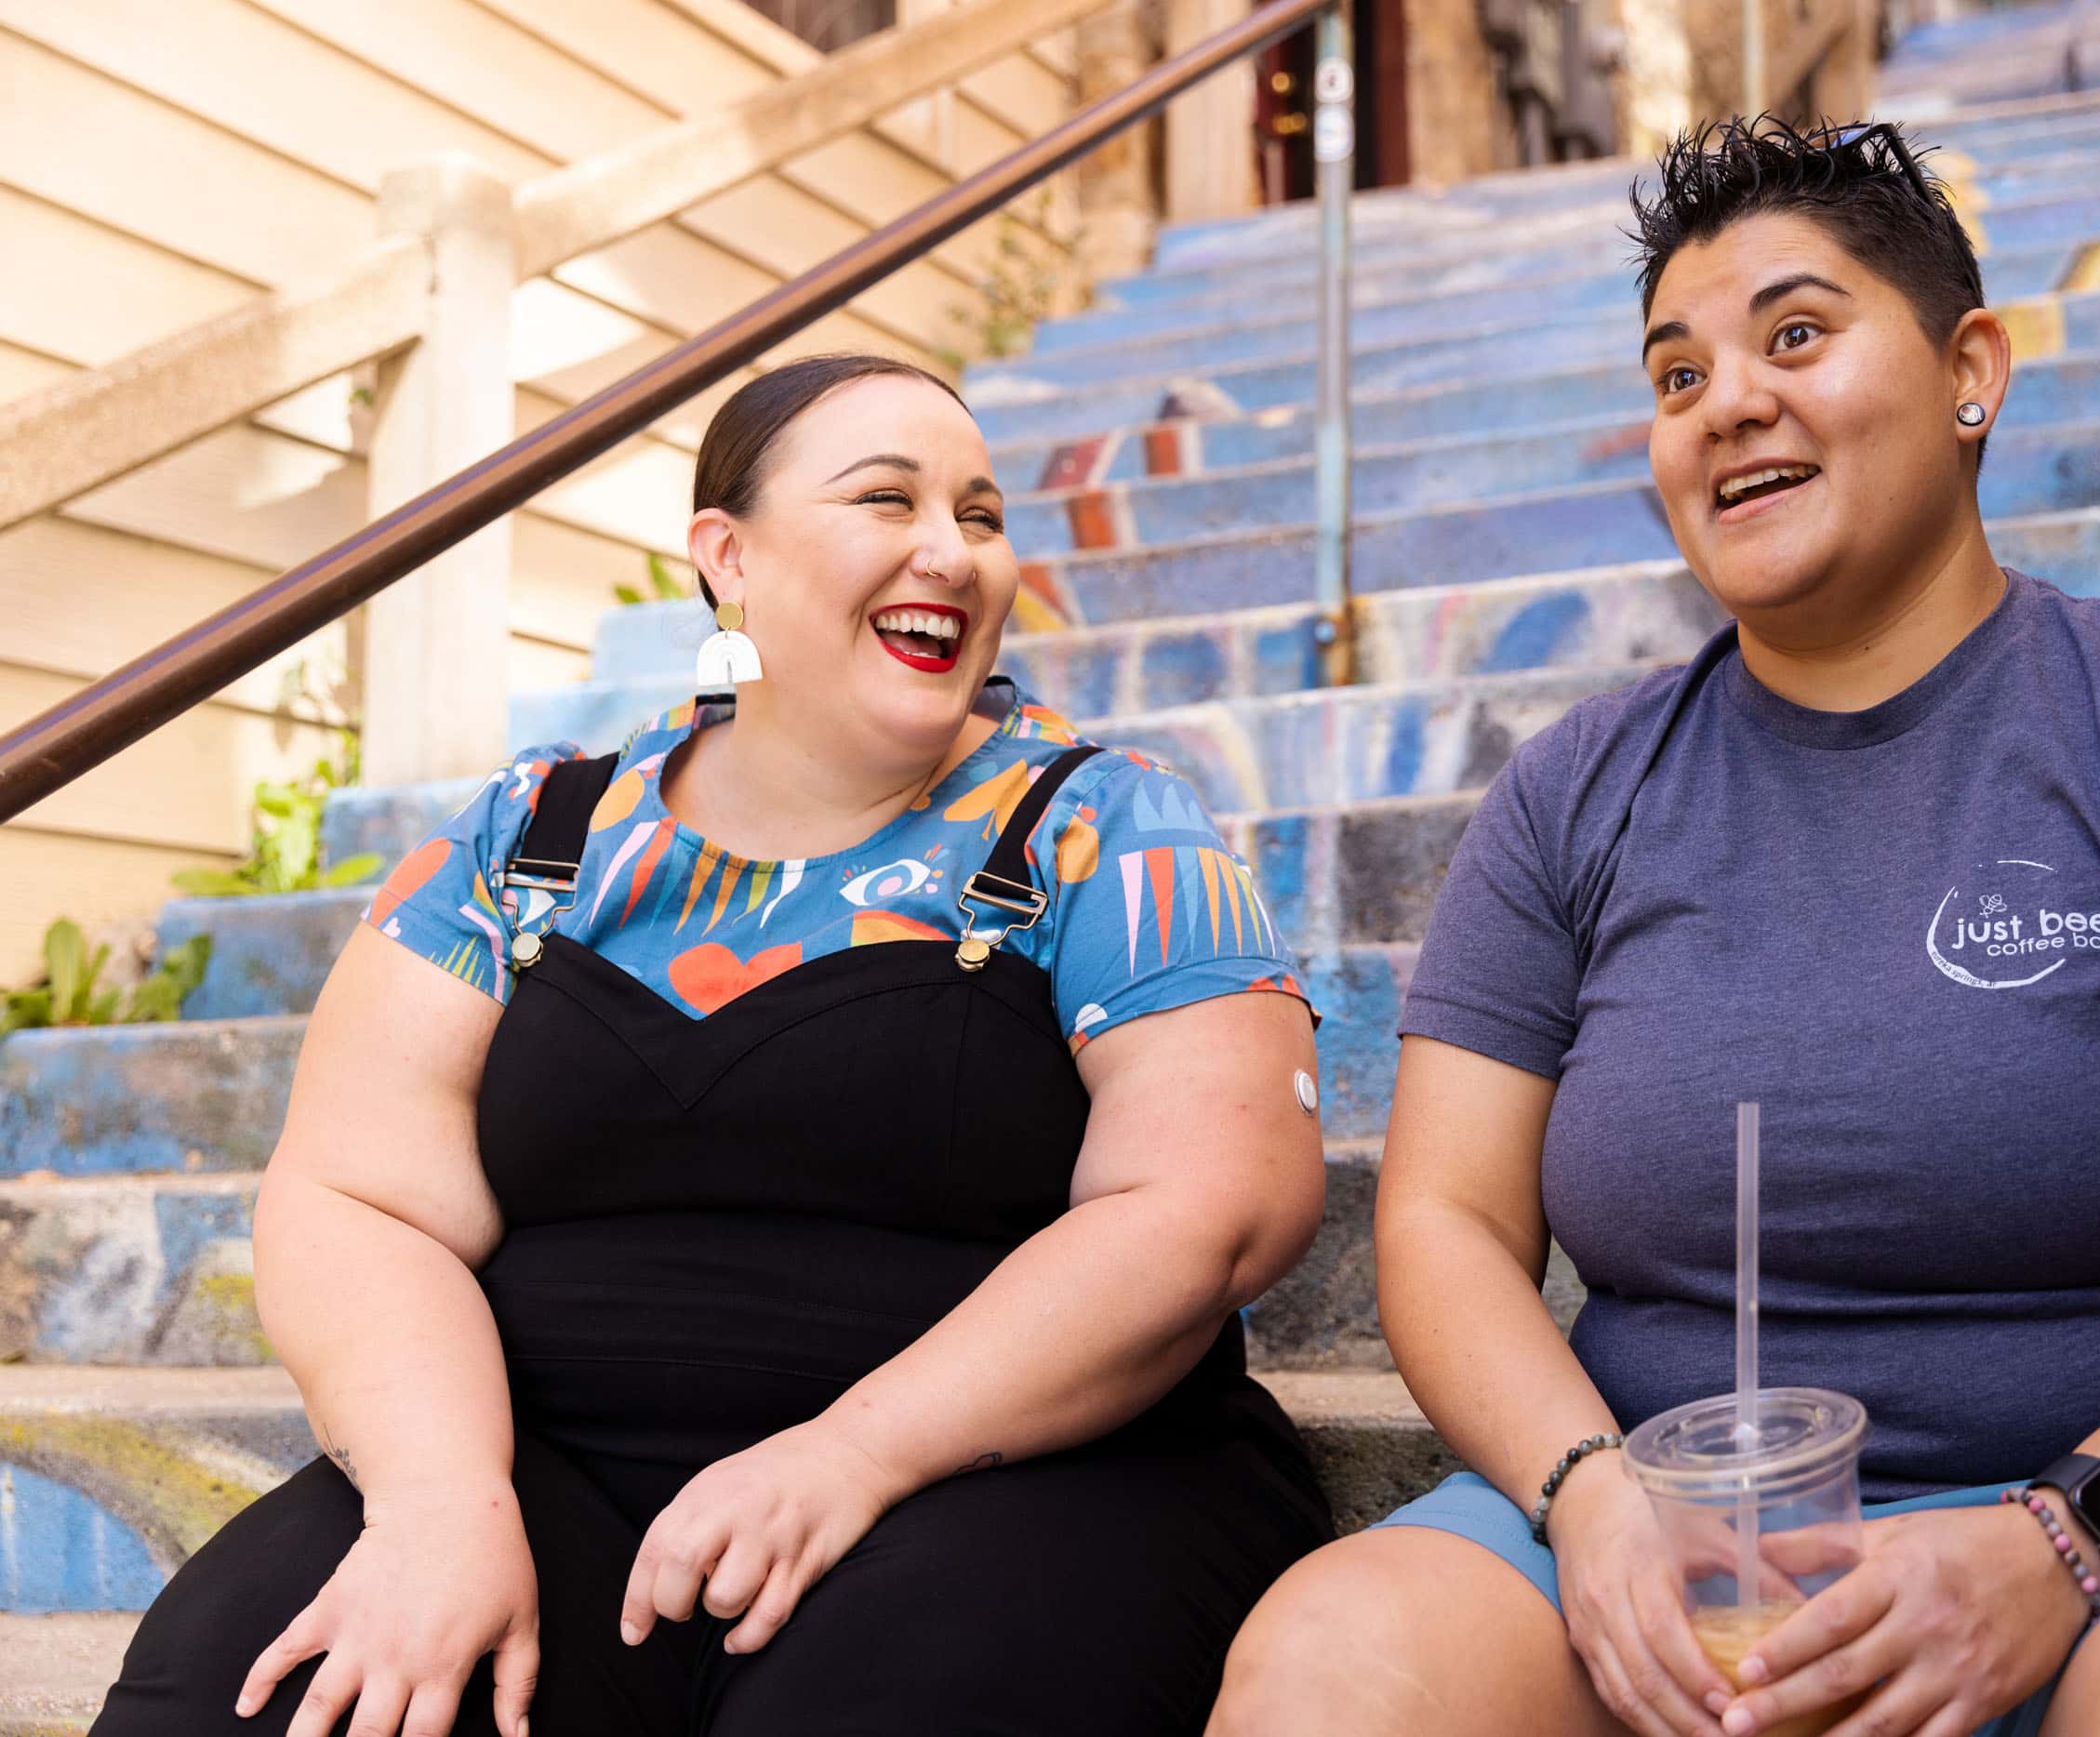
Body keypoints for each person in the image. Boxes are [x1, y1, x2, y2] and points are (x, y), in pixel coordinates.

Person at [1210, 118, 2100, 1737]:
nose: (1730, 402)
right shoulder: (1574, 793)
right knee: (1333, 1673)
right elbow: (1445, 1225)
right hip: (1668, 1549)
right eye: (1677, 376)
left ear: (1973, 366)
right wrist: (1589, 1496)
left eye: (1798, 335)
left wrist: (2064, 1541)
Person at [96, 353, 1334, 1737]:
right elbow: (354, 1196)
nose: (953, 551)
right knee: (236, 1699)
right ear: (724, 556)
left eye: (980, 517)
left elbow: (1216, 1207)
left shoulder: (1103, 826)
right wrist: (442, 1500)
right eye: (889, 499)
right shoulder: (535, 838)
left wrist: (857, 1449)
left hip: (1013, 1474)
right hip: (545, 1467)